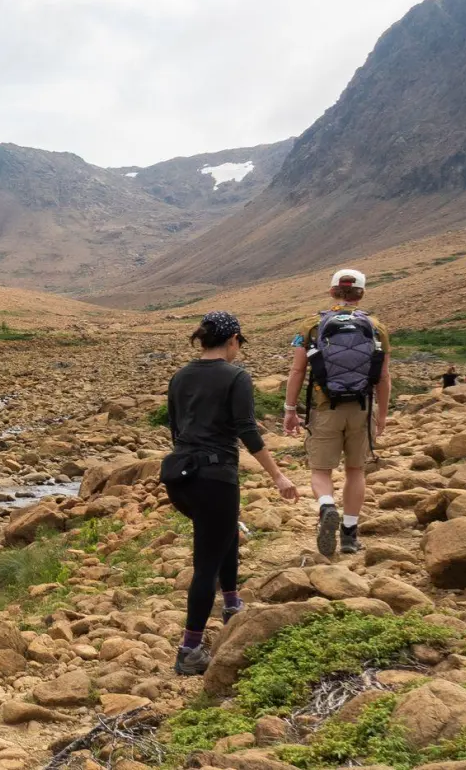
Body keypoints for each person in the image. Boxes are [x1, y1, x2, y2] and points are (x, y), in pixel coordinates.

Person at [163, 311, 298, 676]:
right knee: (207, 562)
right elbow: (247, 432)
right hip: (215, 477)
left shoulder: (180, 376)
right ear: (233, 339)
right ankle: (189, 650)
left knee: (223, 534)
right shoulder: (236, 376)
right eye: (239, 343)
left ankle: (232, 605)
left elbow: (176, 430)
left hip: (180, 477)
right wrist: (279, 477)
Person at [283, 269, 391, 558]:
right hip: (361, 407)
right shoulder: (376, 326)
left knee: (321, 471)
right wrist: (381, 416)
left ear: (332, 292)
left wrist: (290, 410)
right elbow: (383, 376)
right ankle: (349, 536)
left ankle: (326, 505)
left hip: (324, 408)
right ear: (361, 294)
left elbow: (297, 370)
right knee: (355, 471)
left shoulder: (311, 325)